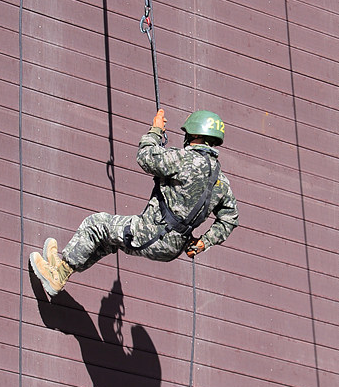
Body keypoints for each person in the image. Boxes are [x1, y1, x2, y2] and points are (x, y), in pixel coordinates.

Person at [30, 109, 239, 297]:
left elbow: (145, 156)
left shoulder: (185, 159)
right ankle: (63, 268)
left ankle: (59, 272)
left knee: (96, 224)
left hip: (150, 234)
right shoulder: (221, 180)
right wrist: (205, 242)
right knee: (107, 240)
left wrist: (156, 130)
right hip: (171, 248)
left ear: (194, 134)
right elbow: (230, 219)